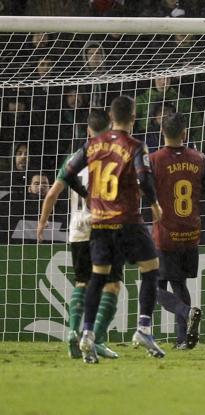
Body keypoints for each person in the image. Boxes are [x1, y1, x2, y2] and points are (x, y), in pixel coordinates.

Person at [58, 95, 165, 363]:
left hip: (100, 223)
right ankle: (143, 327)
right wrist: (154, 204)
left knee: (98, 276)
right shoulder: (135, 146)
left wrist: (87, 194)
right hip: (127, 221)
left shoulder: (92, 144)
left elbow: (68, 172)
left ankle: (87, 334)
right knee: (151, 267)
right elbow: (143, 177)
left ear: (110, 115)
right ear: (133, 117)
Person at [37, 109, 124, 359]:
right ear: (109, 130)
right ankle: (94, 338)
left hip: (77, 227)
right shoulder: (112, 157)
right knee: (110, 284)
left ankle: (73, 331)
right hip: (104, 225)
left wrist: (42, 222)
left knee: (83, 282)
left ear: (88, 130)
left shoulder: (75, 157)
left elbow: (52, 193)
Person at [150, 112, 205, 349]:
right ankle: (183, 340)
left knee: (154, 287)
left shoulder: (154, 159)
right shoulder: (198, 158)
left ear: (162, 132)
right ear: (185, 133)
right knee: (180, 284)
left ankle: (186, 312)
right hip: (191, 235)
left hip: (165, 234)